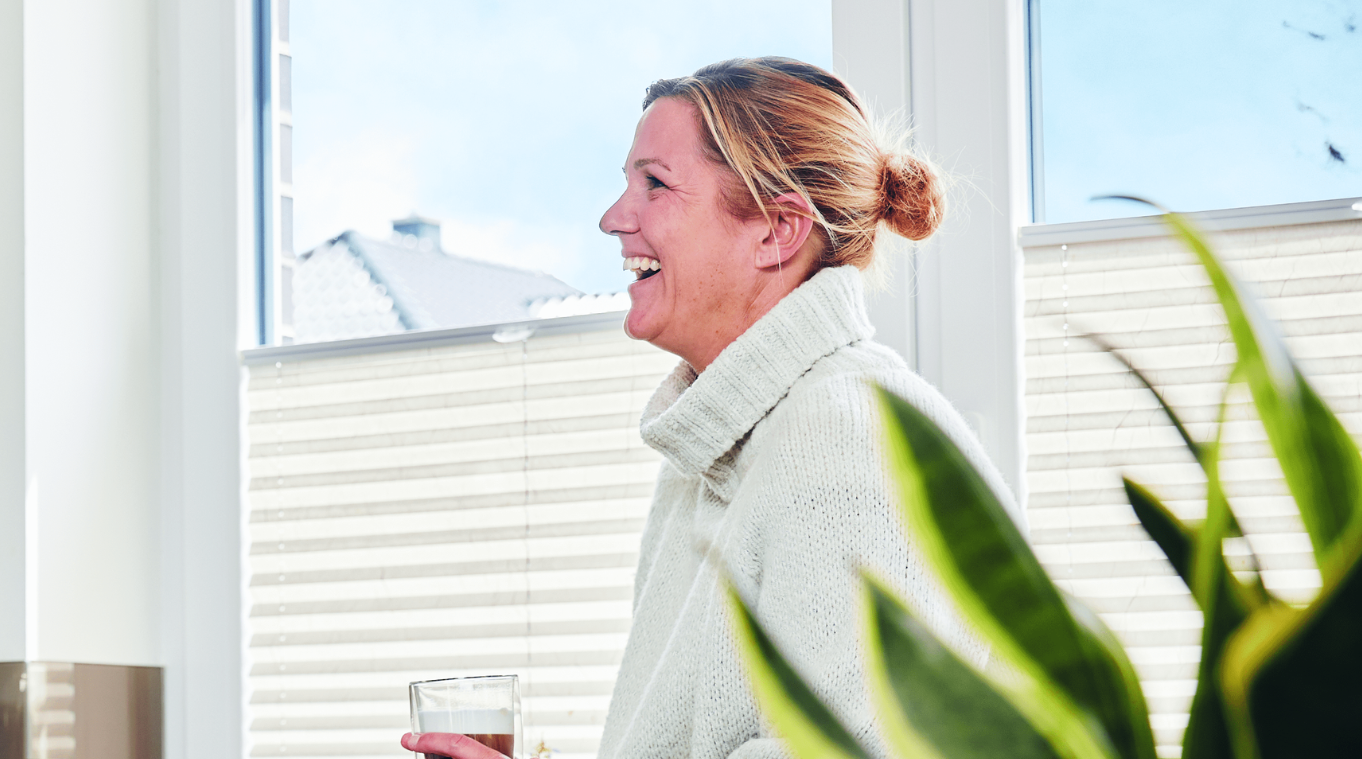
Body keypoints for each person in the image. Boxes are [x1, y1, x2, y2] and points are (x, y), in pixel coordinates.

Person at [402, 57, 1007, 759]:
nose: (612, 218)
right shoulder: (724, 444)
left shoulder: (848, 431)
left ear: (776, 230)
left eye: (655, 183)